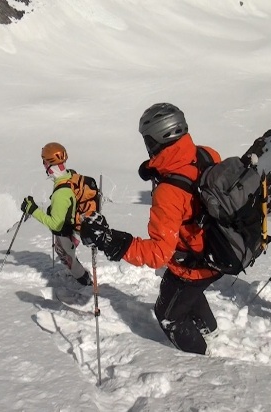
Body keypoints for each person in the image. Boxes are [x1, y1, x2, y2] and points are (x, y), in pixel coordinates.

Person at [80, 103, 223, 355]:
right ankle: (208, 328)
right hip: (218, 248)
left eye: (147, 140)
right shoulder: (206, 154)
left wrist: (110, 240)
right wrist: (158, 169)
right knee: (183, 291)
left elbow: (158, 254)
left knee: (168, 314)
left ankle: (202, 361)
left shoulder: (169, 193)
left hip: (195, 263)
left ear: (156, 139)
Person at [21, 142, 93, 287]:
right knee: (67, 254)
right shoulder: (69, 175)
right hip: (73, 223)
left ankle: (84, 282)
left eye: (44, 161)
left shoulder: (61, 193)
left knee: (67, 257)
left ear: (49, 163)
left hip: (66, 230)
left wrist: (33, 210)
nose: (43, 165)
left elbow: (56, 224)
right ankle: (82, 279)